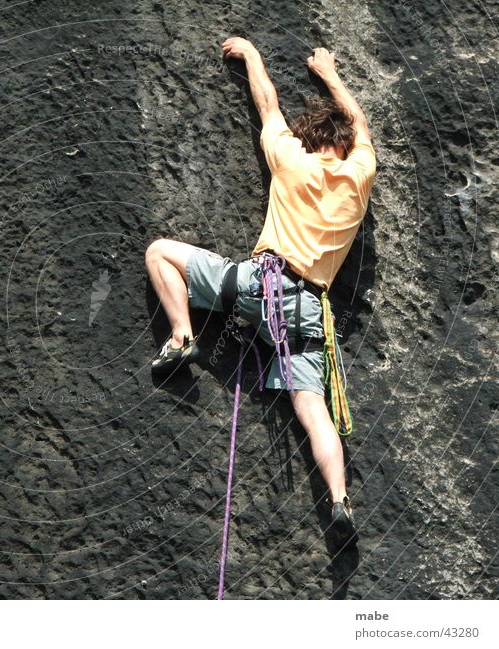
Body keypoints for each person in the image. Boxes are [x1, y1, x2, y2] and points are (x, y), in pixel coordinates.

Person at [144, 38, 376, 548]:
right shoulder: (360, 177)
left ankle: (183, 336)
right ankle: (340, 499)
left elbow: (266, 104)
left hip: (260, 286)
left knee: (161, 252)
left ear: (310, 140)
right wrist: (330, 72)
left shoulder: (292, 160)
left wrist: (250, 54)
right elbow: (359, 124)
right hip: (311, 309)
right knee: (312, 408)